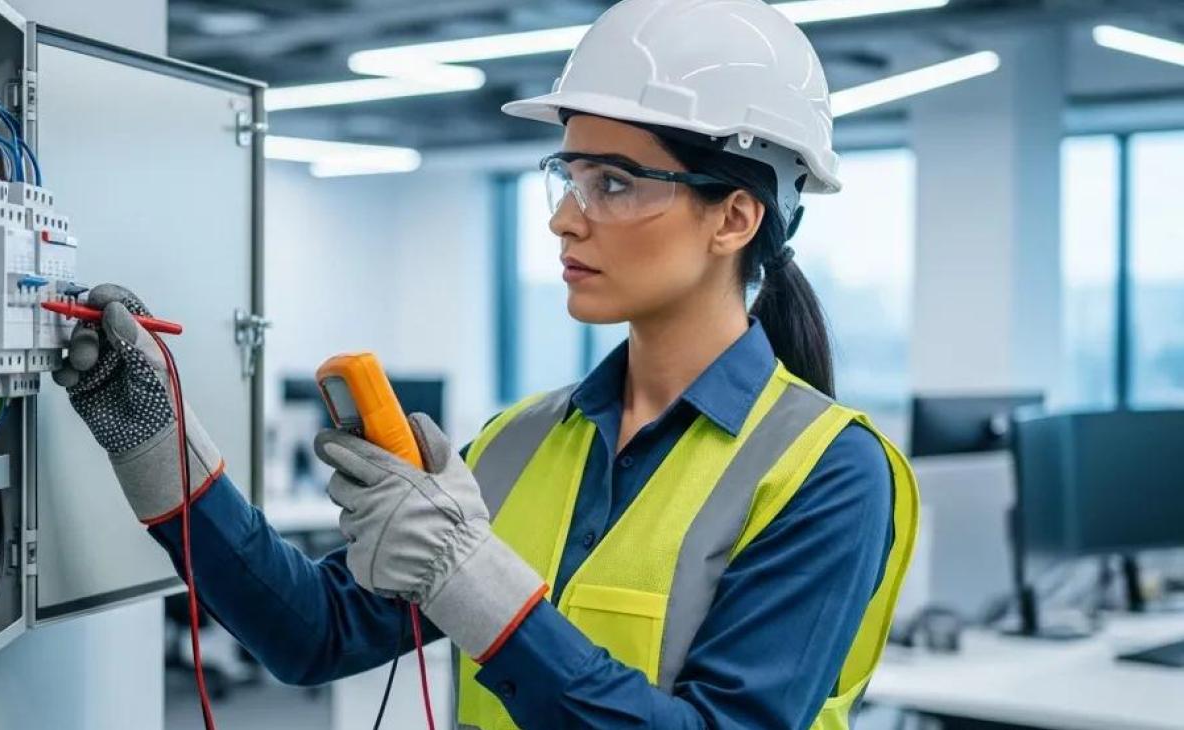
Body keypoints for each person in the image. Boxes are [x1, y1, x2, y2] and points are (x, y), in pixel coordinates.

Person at [53, 0, 918, 727]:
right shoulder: (516, 444)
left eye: (613, 183)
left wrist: (470, 579)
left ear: (733, 217)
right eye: (568, 177)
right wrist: (152, 439)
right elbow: (312, 633)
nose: (565, 220)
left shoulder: (829, 473)